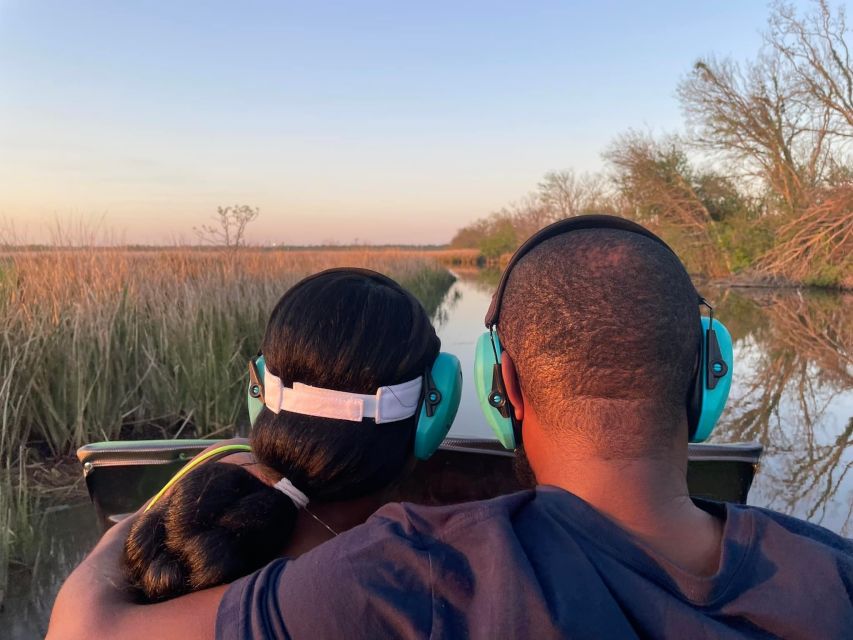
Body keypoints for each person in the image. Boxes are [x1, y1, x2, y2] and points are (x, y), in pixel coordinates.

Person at [50, 218, 853, 639]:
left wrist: (153, 512)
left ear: (498, 387)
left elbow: (84, 631)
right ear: (711, 374)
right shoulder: (835, 579)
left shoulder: (418, 572)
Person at [121, 267, 456, 602]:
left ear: (260, 392)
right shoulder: (416, 582)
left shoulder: (194, 506)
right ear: (434, 412)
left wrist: (218, 457)